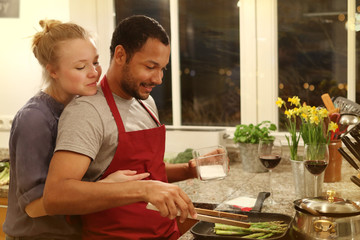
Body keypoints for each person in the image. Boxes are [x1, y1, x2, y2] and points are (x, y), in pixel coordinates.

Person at [42, 15, 198, 239]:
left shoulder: (146, 102)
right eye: (150, 67)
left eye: (163, 68)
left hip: (163, 233)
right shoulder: (87, 111)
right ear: (120, 55)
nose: (159, 78)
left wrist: (189, 170)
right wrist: (144, 190)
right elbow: (56, 197)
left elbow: (146, 172)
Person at [3, 19, 149, 240]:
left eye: (96, 62)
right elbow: (34, 207)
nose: (94, 72)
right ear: (53, 71)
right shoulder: (34, 119)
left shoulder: (81, 107)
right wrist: (107, 186)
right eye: (81, 67)